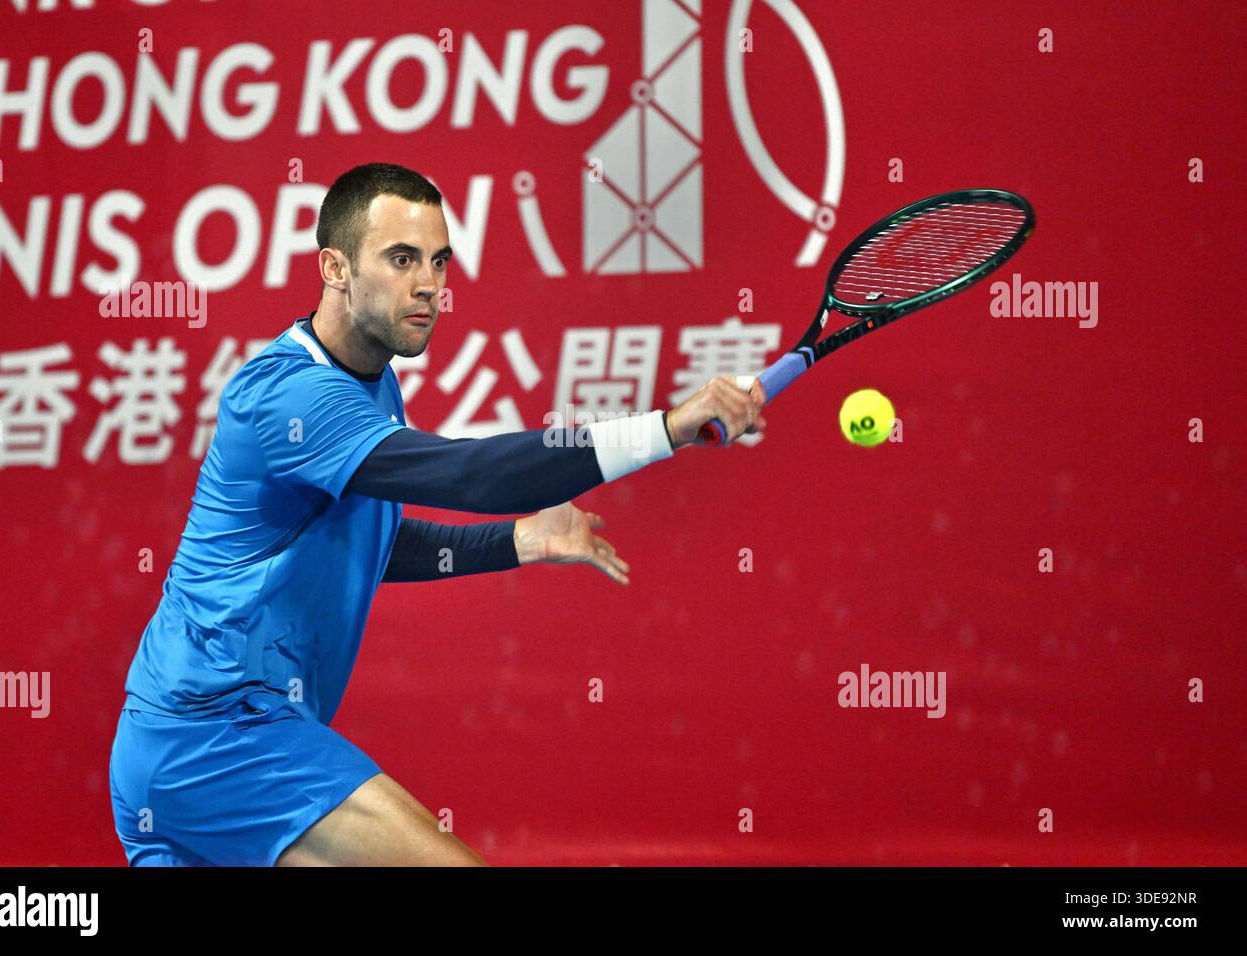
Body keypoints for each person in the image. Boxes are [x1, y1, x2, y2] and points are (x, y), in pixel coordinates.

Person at [108, 163, 767, 866]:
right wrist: (666, 428)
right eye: (401, 259)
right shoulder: (290, 397)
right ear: (334, 266)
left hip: (179, 749)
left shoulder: (371, 383)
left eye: (439, 261)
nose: (429, 284)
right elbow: (469, 473)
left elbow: (370, 545)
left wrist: (519, 539)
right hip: (217, 734)